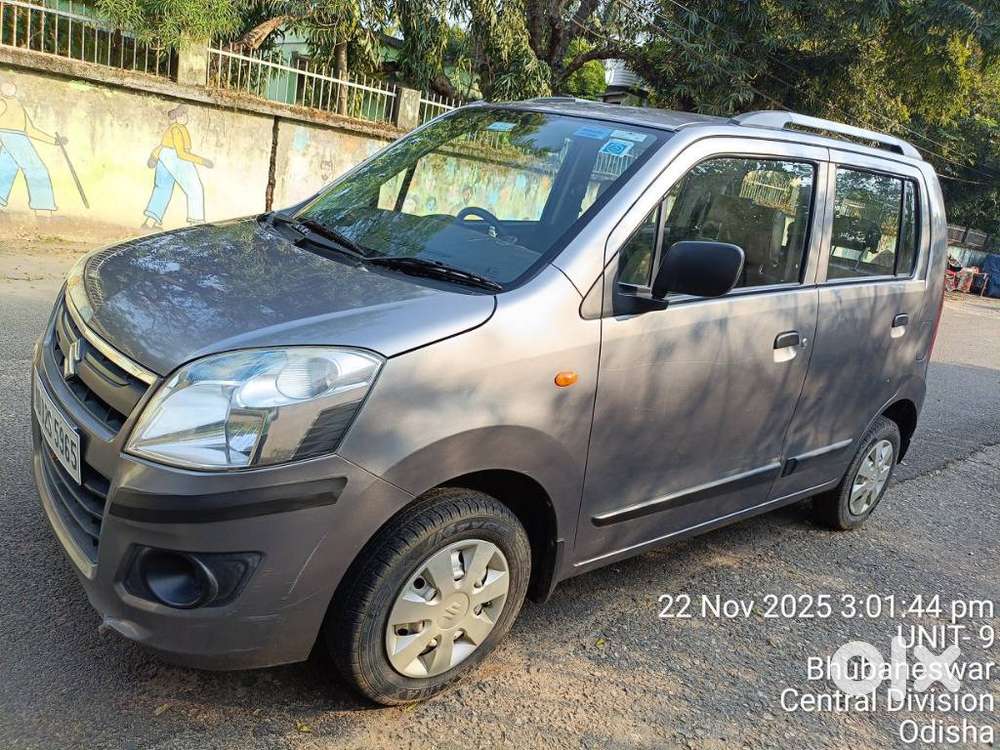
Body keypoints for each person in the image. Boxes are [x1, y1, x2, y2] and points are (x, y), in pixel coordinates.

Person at [143, 105, 213, 228]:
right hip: (175, 159)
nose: (185, 117)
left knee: (162, 189)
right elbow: (181, 154)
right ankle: (196, 223)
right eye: (182, 114)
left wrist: (154, 156)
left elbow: (162, 146)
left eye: (185, 114)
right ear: (177, 117)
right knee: (194, 188)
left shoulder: (172, 129)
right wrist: (202, 161)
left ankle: (149, 222)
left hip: (163, 158)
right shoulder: (178, 129)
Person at [0, 81, 64, 214]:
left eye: (11, 85)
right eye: (6, 85)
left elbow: (31, 130)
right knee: (36, 168)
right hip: (13, 137)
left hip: (18, 137)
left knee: (7, 167)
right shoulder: (2, 103)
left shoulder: (17, 106)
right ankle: (43, 206)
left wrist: (54, 141)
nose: (9, 87)